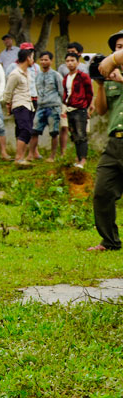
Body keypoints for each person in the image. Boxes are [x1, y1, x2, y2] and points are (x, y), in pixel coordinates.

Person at [88, 29, 123, 252]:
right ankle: (109, 241)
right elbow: (101, 111)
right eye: (118, 47)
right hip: (115, 142)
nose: (120, 50)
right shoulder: (111, 78)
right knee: (102, 191)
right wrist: (100, 84)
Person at [30, 51, 64, 161]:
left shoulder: (56, 75)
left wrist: (62, 107)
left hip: (53, 106)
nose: (43, 62)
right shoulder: (38, 76)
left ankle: (52, 156)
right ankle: (30, 155)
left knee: (54, 132)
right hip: (40, 106)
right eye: (42, 60)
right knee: (35, 131)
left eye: (46, 59)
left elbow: (61, 91)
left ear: (51, 61)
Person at [4, 48, 35, 166]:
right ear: (27, 58)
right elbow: (8, 91)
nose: (33, 60)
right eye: (32, 57)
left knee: (26, 130)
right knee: (25, 129)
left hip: (28, 104)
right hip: (19, 104)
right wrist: (8, 105)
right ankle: (18, 158)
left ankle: (21, 157)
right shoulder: (15, 74)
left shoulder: (28, 73)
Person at [62, 51, 94, 167]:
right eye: (67, 61)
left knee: (81, 134)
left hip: (80, 109)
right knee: (74, 135)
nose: (70, 63)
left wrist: (87, 106)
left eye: (72, 61)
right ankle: (78, 157)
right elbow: (66, 93)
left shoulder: (83, 77)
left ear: (78, 62)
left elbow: (89, 92)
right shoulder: (66, 78)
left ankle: (83, 159)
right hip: (70, 108)